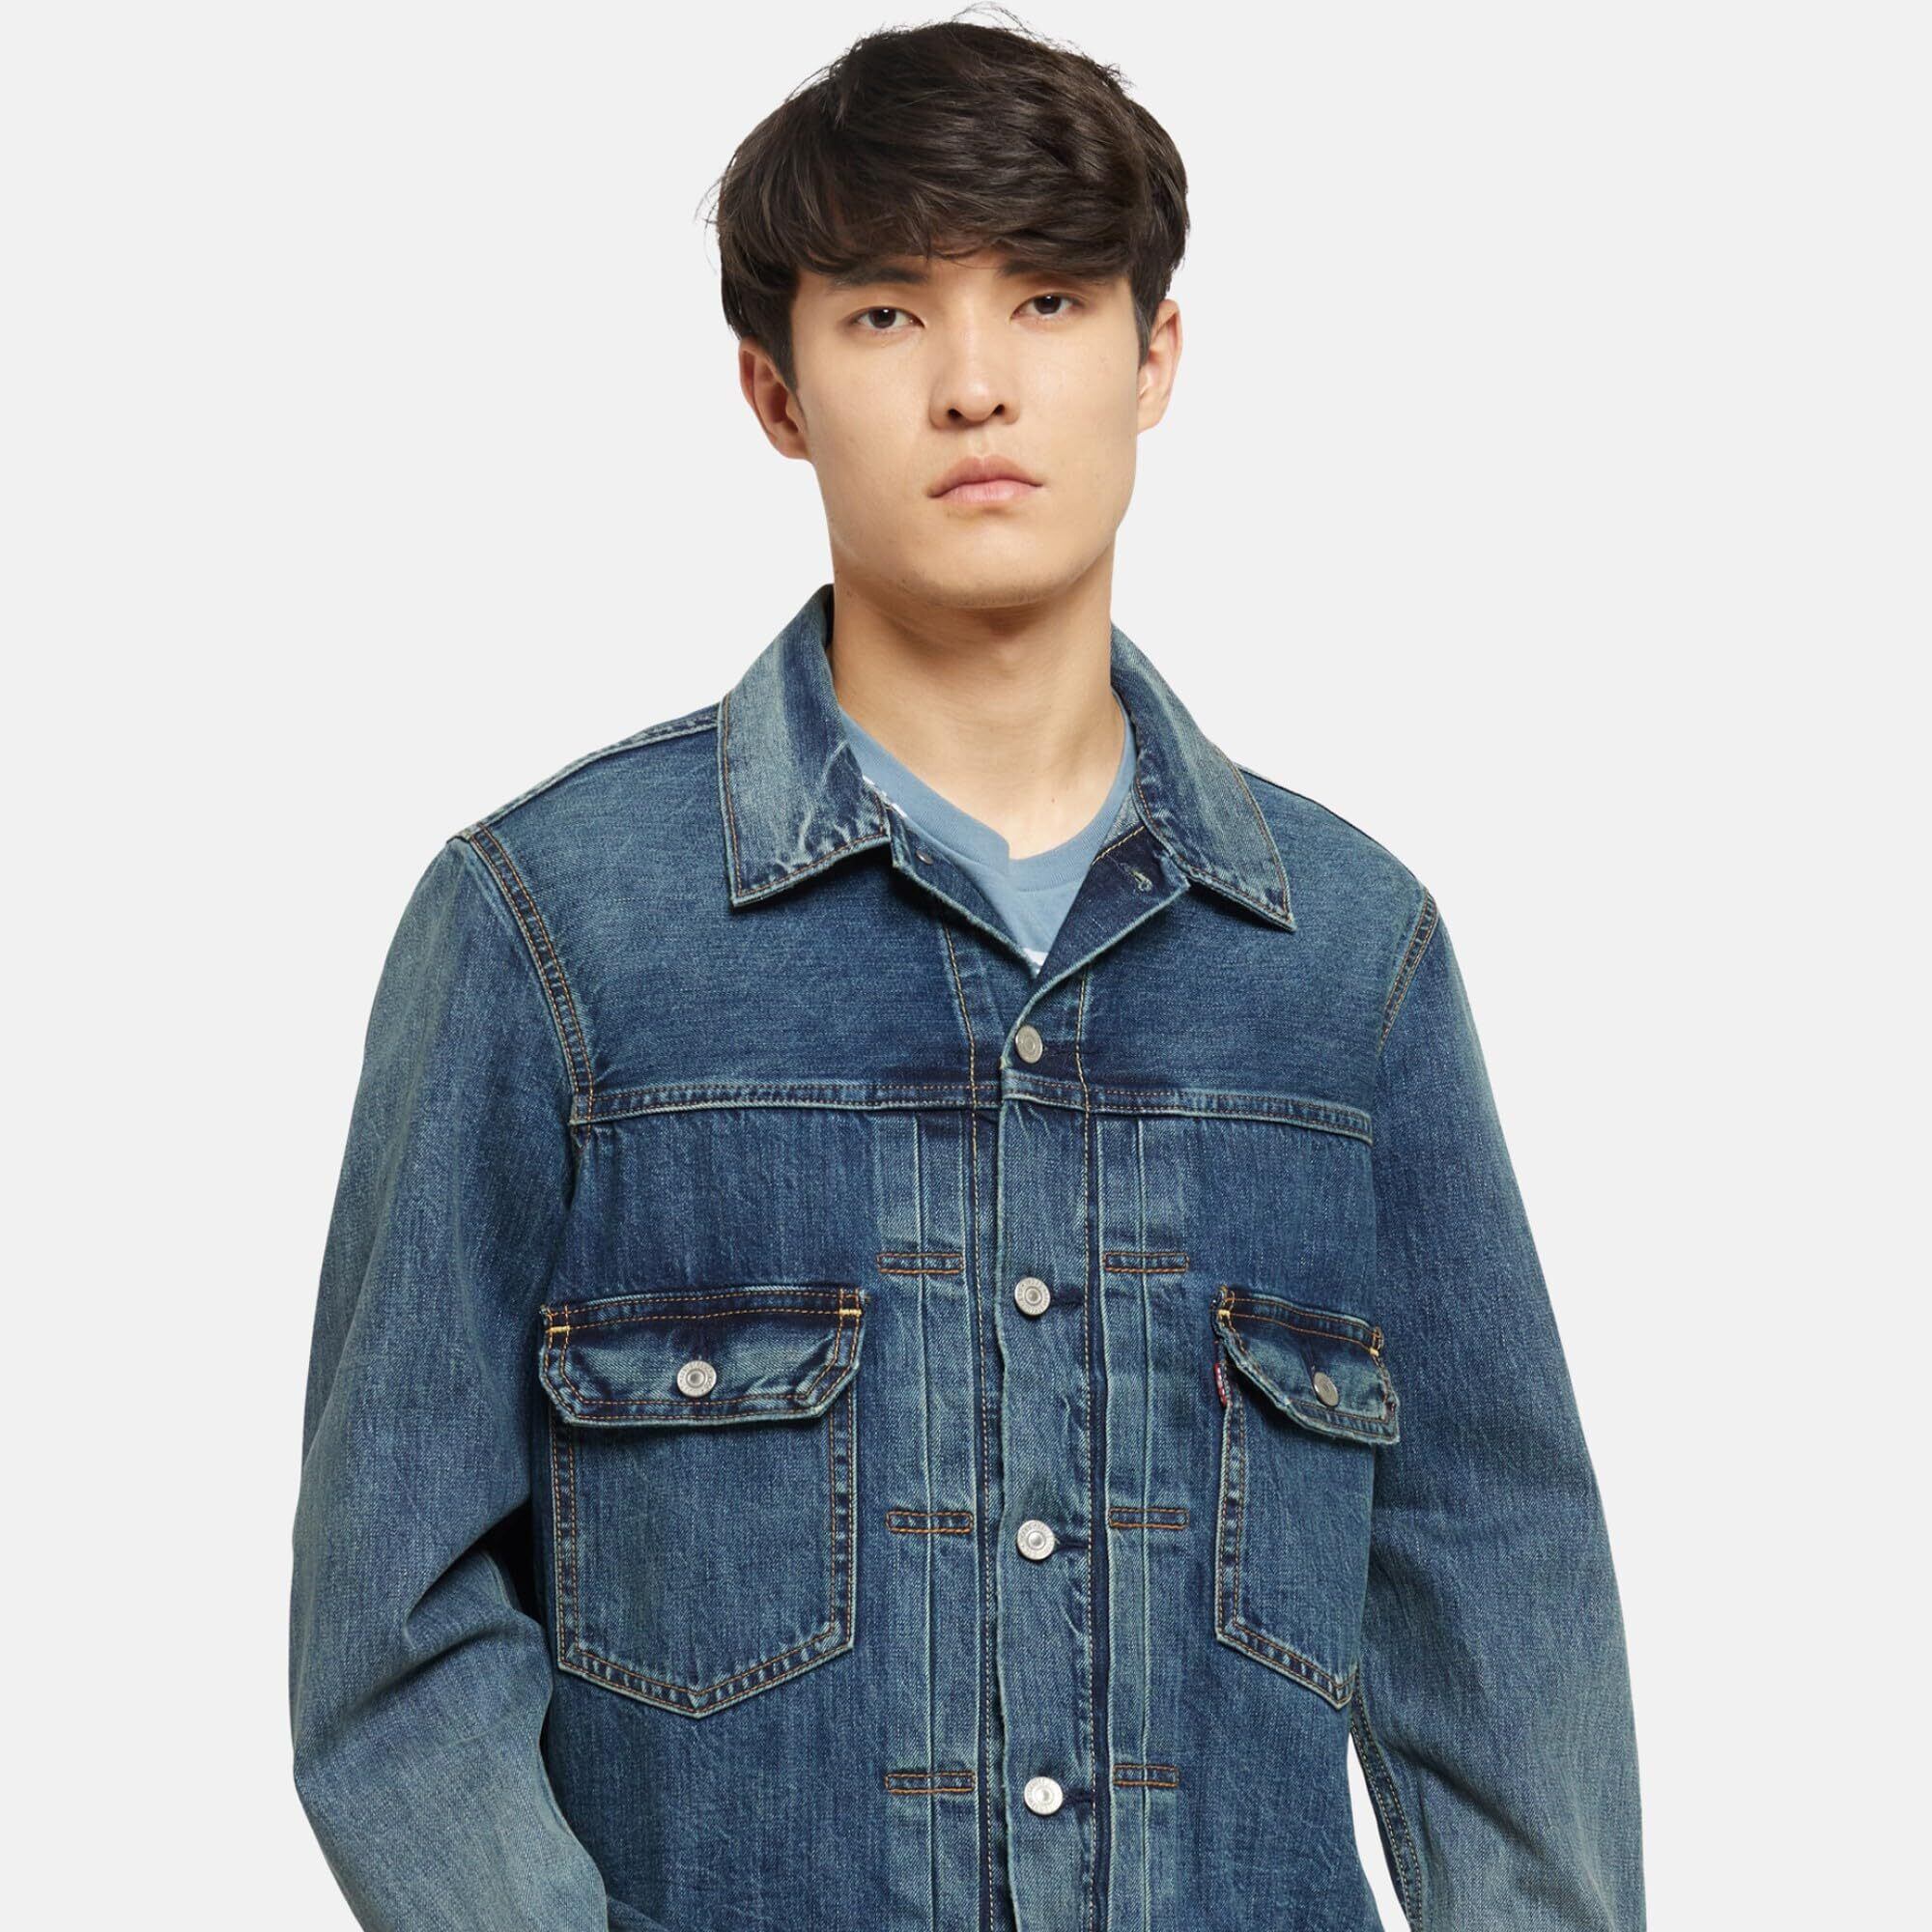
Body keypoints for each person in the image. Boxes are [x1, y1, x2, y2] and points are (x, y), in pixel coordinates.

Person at [289, 15, 1645, 1931]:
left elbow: (1495, 1589)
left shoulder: (1348, 963)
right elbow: (393, 1637)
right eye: (885, 315)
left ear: (1155, 356)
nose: (977, 385)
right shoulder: (550, 935)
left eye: (1050, 300)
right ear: (774, 391)